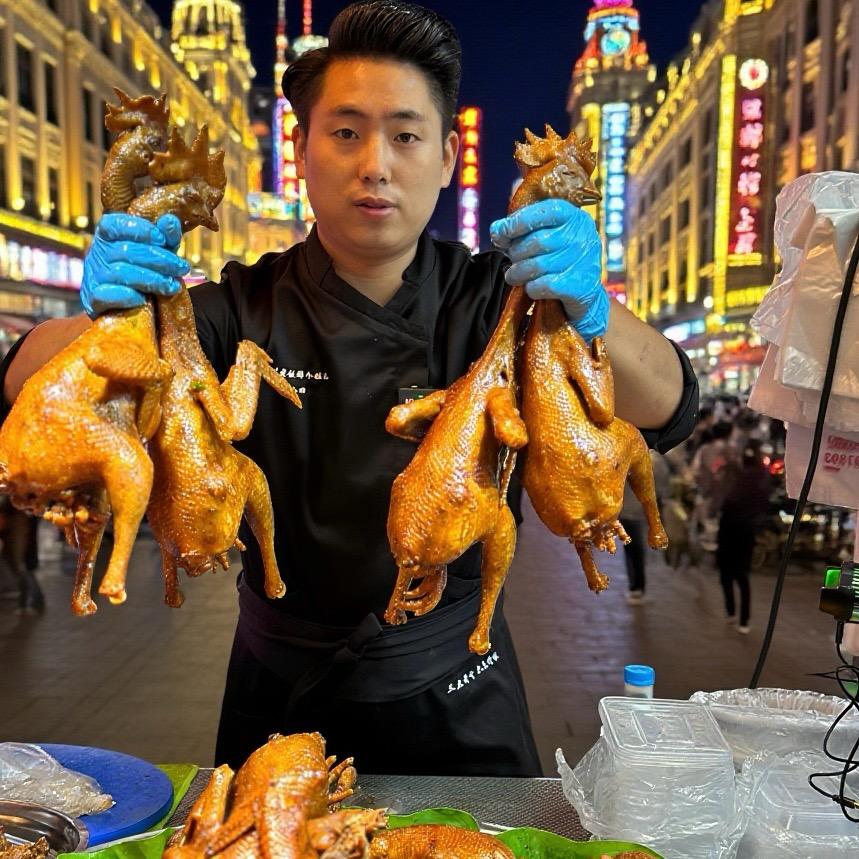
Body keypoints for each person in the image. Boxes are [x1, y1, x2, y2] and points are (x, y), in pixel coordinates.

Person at [0, 2, 698, 774]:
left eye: (404, 134)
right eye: (344, 132)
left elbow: (668, 400)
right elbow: (24, 372)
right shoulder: (240, 306)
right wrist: (108, 318)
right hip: (280, 693)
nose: (374, 164)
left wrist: (586, 303)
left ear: (446, 156)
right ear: (300, 150)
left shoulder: (497, 300)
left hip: (459, 690)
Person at [715, 441, 771, 633]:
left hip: (730, 531)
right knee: (741, 576)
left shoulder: (738, 477)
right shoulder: (762, 477)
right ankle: (743, 620)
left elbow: (725, 504)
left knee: (728, 575)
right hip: (746, 532)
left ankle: (732, 613)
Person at [620, 451, 671, 604]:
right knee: (635, 549)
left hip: (628, 510)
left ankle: (636, 587)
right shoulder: (656, 460)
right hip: (642, 510)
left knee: (632, 549)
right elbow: (663, 487)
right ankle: (637, 587)